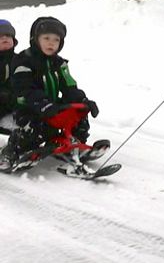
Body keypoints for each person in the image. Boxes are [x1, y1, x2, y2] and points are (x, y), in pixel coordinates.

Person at [0, 16, 100, 172]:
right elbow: (25, 88)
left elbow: (69, 86)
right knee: (37, 128)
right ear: (35, 39)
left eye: (56, 40)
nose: (51, 43)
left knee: (77, 114)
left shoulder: (59, 63)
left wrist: (83, 101)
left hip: (50, 105)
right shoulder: (23, 61)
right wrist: (43, 104)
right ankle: (12, 150)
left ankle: (73, 144)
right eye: (46, 38)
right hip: (27, 107)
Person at [0, 19, 18, 125]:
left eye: (8, 35)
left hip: (16, 101)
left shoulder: (21, 59)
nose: (5, 38)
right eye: (1, 36)